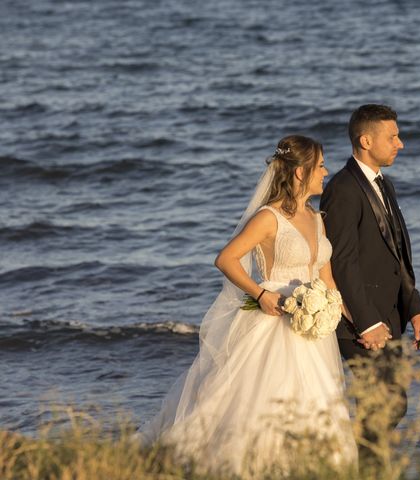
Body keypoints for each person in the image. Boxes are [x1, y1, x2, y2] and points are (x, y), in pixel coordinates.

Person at [135, 135, 357, 476]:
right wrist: (261, 293)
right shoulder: (268, 218)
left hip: (312, 331)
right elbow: (226, 259)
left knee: (320, 401)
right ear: (300, 172)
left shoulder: (316, 218)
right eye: (321, 165)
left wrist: (349, 318)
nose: (326, 172)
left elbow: (325, 276)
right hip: (272, 323)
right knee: (259, 401)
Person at [320, 104, 420, 458]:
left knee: (388, 405)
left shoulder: (384, 184)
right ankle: (360, 466)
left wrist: (413, 308)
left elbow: (398, 252)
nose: (401, 144)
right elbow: (342, 261)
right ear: (366, 140)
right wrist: (366, 323)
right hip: (358, 322)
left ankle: (360, 465)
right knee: (388, 405)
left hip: (388, 316)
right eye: (393, 137)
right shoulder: (342, 189)